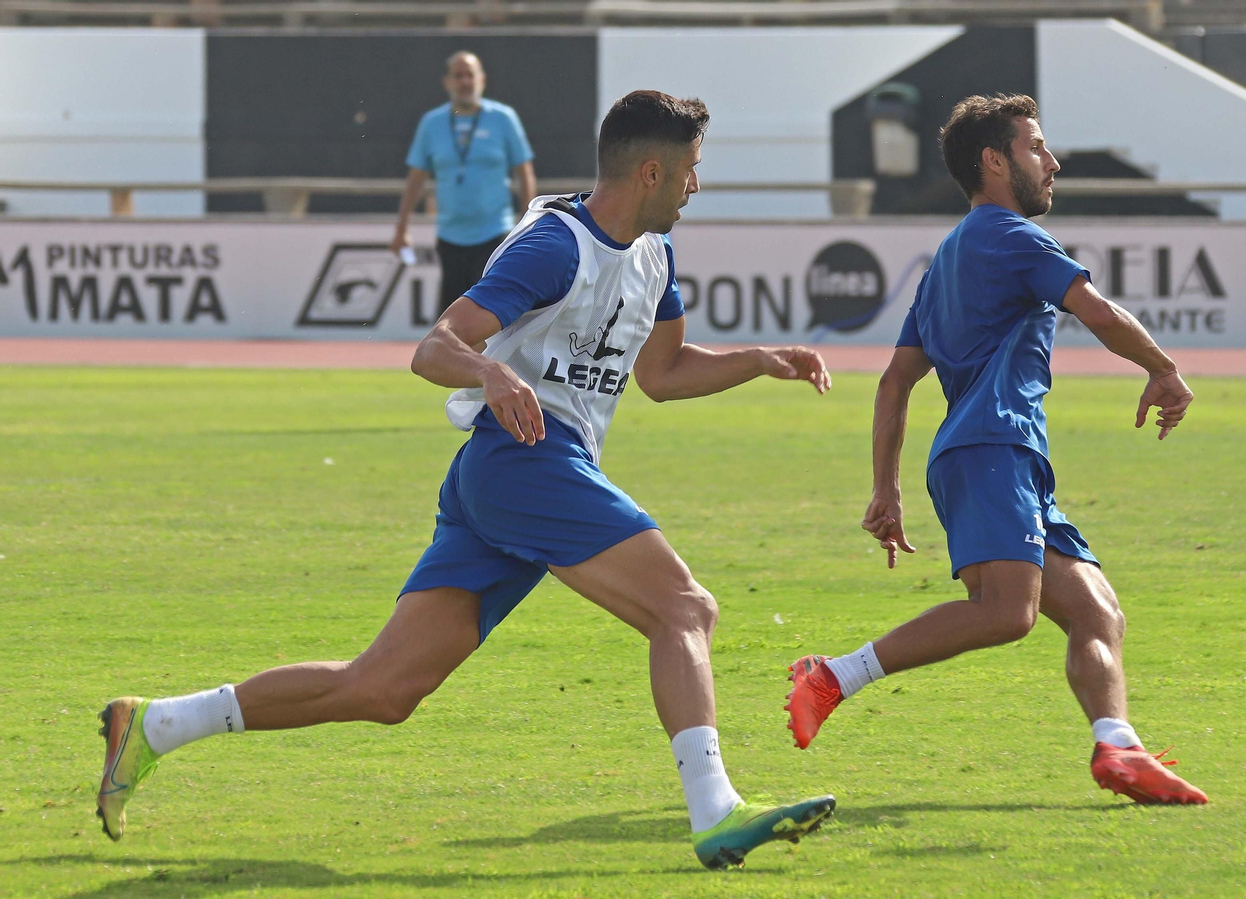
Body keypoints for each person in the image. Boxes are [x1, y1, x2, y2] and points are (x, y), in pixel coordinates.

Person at [98, 90, 839, 870]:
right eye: (690, 170)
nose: (696, 186)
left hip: (517, 477)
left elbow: (664, 372)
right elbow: (435, 345)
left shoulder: (655, 254)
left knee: (383, 689)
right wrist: (490, 372)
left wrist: (759, 360)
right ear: (651, 172)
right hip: (524, 460)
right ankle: (715, 810)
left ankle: (153, 725)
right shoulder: (554, 246)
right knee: (684, 605)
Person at [784, 94, 1209, 806]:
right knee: (1007, 611)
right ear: (994, 161)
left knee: (1098, 612)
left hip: (1001, 454)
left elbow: (895, 382)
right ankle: (832, 676)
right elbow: (1098, 312)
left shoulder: (948, 257)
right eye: (1036, 147)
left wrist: (886, 488)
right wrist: (1162, 369)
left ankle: (1119, 748)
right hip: (991, 446)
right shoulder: (1012, 236)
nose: (1052, 162)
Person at [391, 50, 538, 321]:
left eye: (470, 75)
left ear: (482, 80)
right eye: (458, 76)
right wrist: (401, 229)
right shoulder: (432, 123)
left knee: (487, 317)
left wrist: (526, 224)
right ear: (447, 82)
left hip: (494, 233)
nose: (465, 82)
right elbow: (416, 179)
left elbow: (524, 172)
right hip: (450, 236)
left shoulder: (503, 118)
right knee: (450, 321)